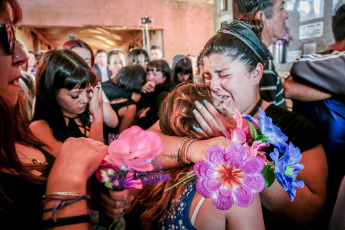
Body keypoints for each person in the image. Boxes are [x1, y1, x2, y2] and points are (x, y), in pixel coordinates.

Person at [149, 20, 328, 230]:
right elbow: (140, 147)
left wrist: (238, 152)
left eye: (224, 75)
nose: (213, 86)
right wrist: (194, 148)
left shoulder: (295, 128)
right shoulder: (202, 109)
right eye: (207, 76)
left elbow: (310, 213)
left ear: (256, 73)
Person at [0, 1, 132, 229]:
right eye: (75, 94)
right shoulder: (39, 129)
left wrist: (122, 192)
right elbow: (91, 165)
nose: (84, 100)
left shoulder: (82, 116)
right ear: (52, 93)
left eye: (88, 92)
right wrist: (97, 116)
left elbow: (107, 174)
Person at [129, 83, 265, 230]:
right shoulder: (232, 186)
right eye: (227, 111)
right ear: (208, 120)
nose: (236, 116)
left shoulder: (151, 174)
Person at [283, 4, 345, 228]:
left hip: (307, 171)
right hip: (321, 172)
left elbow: (289, 87)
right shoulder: (325, 64)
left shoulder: (322, 67)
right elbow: (289, 86)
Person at [232, 0, 288, 108]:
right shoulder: (258, 59)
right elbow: (266, 120)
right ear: (261, 16)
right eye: (281, 8)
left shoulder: (244, 52)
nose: (286, 15)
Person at [63, 38, 119, 130]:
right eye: (76, 60)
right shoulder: (59, 91)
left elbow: (113, 122)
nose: (81, 65)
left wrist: (96, 98)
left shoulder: (93, 87)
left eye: (86, 61)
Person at [103, 65, 145, 144]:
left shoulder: (105, 95)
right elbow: (122, 137)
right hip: (111, 144)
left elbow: (101, 86)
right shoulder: (130, 107)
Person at [136, 59, 174, 129]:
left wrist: (156, 87)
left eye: (154, 74)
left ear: (165, 77)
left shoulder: (166, 93)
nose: (150, 78)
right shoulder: (145, 89)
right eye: (148, 74)